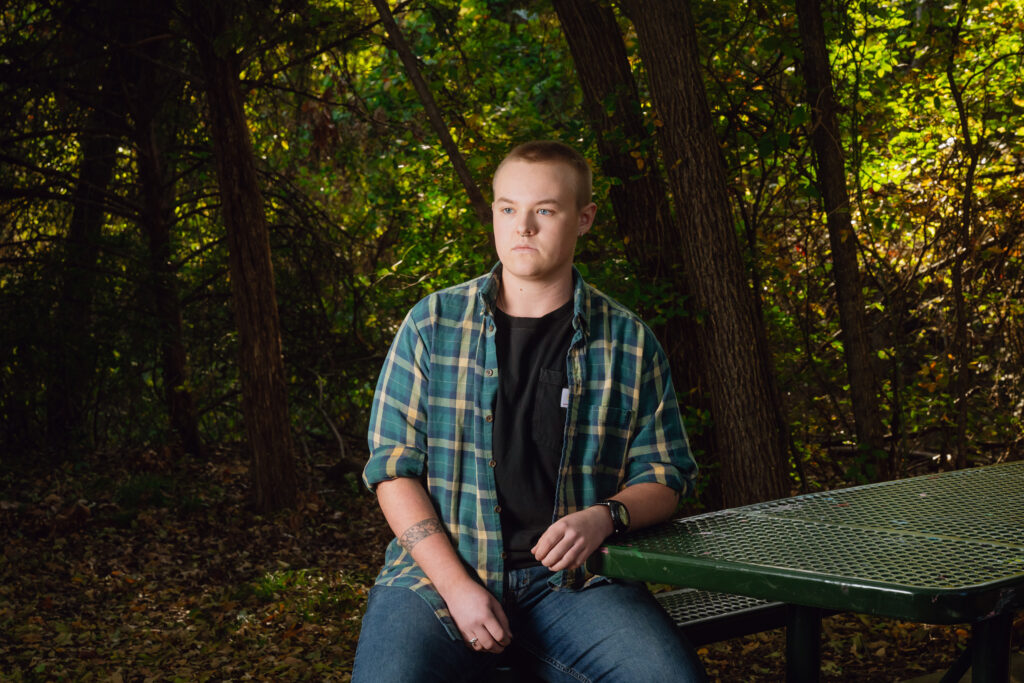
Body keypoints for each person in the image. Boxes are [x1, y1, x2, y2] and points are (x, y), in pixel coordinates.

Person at [352, 141, 706, 682]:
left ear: (584, 218)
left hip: (574, 584)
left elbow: (666, 474)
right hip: (436, 578)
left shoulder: (628, 342)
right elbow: (392, 471)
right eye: (507, 208)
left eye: (545, 209)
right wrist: (457, 587)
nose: (523, 227)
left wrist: (605, 515)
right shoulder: (432, 324)